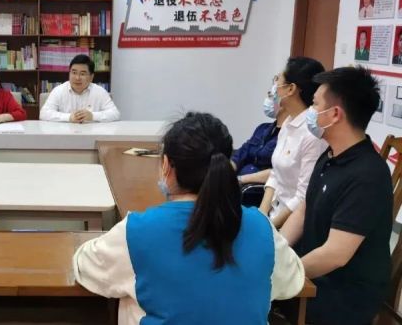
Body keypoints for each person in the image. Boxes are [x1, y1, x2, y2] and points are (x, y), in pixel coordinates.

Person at [73, 112, 305, 325]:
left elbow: (86, 268)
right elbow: (292, 281)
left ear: (166, 166)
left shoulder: (138, 230)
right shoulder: (261, 228)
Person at [280, 67, 392, 325]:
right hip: (314, 271)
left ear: (335, 114)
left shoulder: (368, 175)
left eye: (315, 104)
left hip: (343, 294)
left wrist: (284, 274)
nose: (310, 110)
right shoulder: (330, 155)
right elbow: (305, 208)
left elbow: (335, 255)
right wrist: (279, 250)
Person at [260, 57, 328, 229]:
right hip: (273, 214)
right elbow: (275, 175)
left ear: (291, 89)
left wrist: (270, 227)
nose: (274, 87)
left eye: (278, 80)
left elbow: (303, 197)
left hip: (292, 226)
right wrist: (261, 216)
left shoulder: (312, 136)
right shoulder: (288, 122)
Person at [39, 54, 120, 123]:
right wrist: (69, 117)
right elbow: (44, 114)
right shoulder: (59, 91)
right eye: (74, 73)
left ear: (91, 77)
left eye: (82, 74)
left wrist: (92, 116)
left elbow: (115, 114)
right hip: (65, 134)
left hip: (92, 134)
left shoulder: (100, 92)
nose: (77, 78)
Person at [233, 81, 286, 180]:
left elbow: (278, 172)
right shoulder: (262, 128)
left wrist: (239, 180)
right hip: (238, 181)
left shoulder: (289, 135)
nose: (268, 100)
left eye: (271, 96)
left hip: (254, 186)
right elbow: (242, 153)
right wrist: (225, 172)